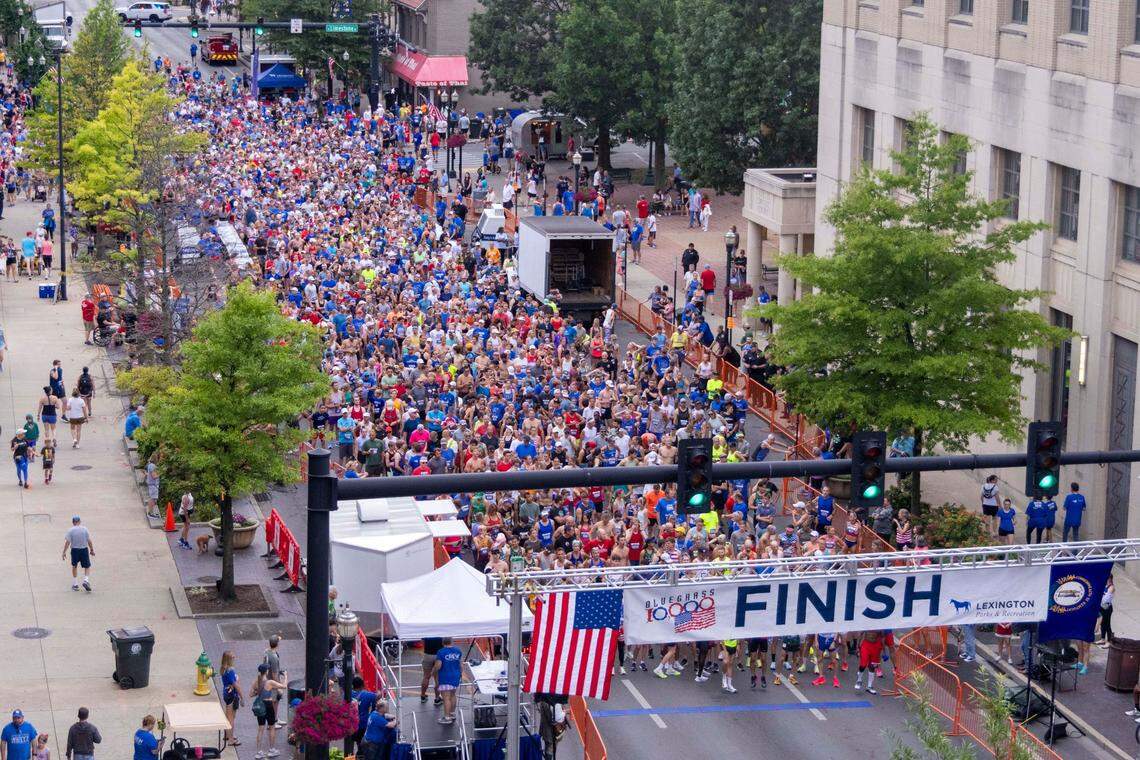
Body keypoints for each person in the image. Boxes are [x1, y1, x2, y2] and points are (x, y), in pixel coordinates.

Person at [250, 663, 286, 757]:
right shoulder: (270, 682)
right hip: (268, 706)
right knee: (272, 727)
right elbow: (284, 686)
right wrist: (286, 676)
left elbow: (250, 694)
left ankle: (258, 752)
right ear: (266, 671)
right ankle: (271, 750)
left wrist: (259, 692)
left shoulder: (256, 681)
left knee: (260, 729)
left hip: (260, 706)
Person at [431, 637, 463, 723]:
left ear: (442, 642)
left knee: (446, 698)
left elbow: (438, 665)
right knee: (453, 695)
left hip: (445, 677)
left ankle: (447, 717)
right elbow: (460, 665)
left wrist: (433, 671)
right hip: (455, 676)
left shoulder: (441, 652)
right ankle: (452, 714)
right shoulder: (458, 650)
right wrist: (461, 674)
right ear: (451, 641)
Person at [61, 515, 94, 592]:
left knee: (74, 566)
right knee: (87, 566)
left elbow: (68, 542)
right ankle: (86, 580)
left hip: (75, 550)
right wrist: (92, 549)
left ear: (73, 522)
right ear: (79, 522)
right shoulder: (84, 529)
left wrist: (64, 552)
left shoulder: (71, 530)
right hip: (84, 550)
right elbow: (89, 540)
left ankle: (75, 585)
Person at [219, 652, 242, 746]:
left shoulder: (223, 669)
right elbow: (235, 685)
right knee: (231, 718)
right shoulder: (230, 670)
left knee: (228, 716)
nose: (234, 657)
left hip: (226, 693)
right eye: (232, 657)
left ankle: (227, 735)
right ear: (229, 659)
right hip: (232, 695)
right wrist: (242, 696)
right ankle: (231, 740)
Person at [1096, 573, 1115, 647]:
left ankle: (1109, 641)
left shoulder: (1111, 587)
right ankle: (1103, 639)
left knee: (1107, 624)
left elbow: (1105, 599)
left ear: (1110, 579)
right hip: (1102, 607)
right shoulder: (1105, 585)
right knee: (1102, 624)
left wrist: (1099, 599)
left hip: (1107, 608)